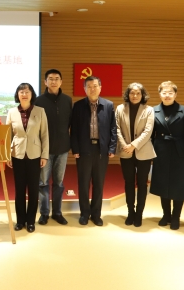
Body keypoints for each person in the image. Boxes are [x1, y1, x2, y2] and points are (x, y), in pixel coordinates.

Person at [70, 76, 116, 226]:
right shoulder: (78, 106)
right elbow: (74, 129)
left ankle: (96, 214)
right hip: (84, 149)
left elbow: (113, 128)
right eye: (89, 86)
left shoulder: (108, 105)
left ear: (100, 87)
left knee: (99, 183)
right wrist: (75, 148)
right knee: (83, 183)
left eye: (95, 86)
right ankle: (84, 213)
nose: (92, 89)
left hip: (101, 150)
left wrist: (112, 147)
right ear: (84, 89)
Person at [149, 81, 184, 230]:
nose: (167, 95)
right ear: (160, 94)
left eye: (170, 93)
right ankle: (166, 215)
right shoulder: (153, 110)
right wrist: (150, 152)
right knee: (163, 183)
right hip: (160, 150)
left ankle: (176, 217)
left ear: (175, 94)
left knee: (178, 185)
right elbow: (150, 134)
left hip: (179, 151)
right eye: (164, 92)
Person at [6, 83, 49, 233]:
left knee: (33, 189)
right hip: (17, 154)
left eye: (27, 92)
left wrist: (44, 155)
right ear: (17, 95)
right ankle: (20, 221)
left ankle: (30, 221)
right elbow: (8, 136)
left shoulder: (40, 111)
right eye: (21, 92)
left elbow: (45, 135)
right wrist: (7, 154)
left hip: (34, 154)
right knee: (19, 190)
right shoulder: (11, 112)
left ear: (32, 94)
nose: (24, 94)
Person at [34, 69, 72, 226]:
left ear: (61, 82)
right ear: (45, 82)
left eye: (57, 78)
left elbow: (69, 123)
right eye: (50, 79)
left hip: (62, 148)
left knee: (59, 183)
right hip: (44, 150)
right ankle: (44, 213)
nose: (54, 81)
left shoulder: (67, 100)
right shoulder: (38, 101)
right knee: (43, 182)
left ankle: (57, 212)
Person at [115, 82, 155, 227]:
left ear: (142, 95)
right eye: (132, 93)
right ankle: (130, 212)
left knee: (142, 184)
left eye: (138, 93)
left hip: (143, 152)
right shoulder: (120, 108)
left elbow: (148, 131)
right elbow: (117, 129)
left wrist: (133, 145)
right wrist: (125, 145)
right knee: (129, 183)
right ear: (128, 94)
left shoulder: (149, 110)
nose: (135, 95)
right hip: (126, 151)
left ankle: (139, 214)